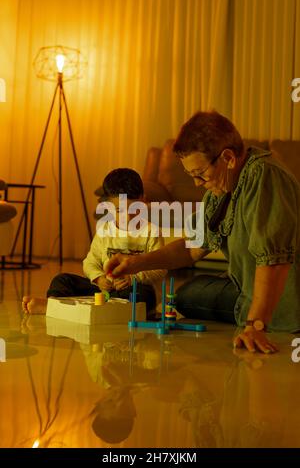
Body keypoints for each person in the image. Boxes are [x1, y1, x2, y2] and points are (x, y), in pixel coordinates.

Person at [105, 111, 300, 353]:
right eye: (191, 176)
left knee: (193, 297)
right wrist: (137, 262)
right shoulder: (219, 190)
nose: (197, 183)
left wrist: (255, 325)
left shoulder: (264, 175)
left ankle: (254, 312)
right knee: (186, 295)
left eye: (200, 174)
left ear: (228, 157)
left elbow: (275, 261)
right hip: (246, 288)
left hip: (289, 299)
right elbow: (191, 248)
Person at [22, 168, 166, 317]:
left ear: (143, 200)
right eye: (119, 211)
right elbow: (90, 262)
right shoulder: (105, 230)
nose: (128, 217)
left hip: (133, 291)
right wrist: (98, 278)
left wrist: (132, 278)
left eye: (134, 209)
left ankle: (85, 311)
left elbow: (160, 268)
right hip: (104, 292)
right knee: (62, 280)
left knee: (144, 293)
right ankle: (53, 306)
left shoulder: (151, 232)